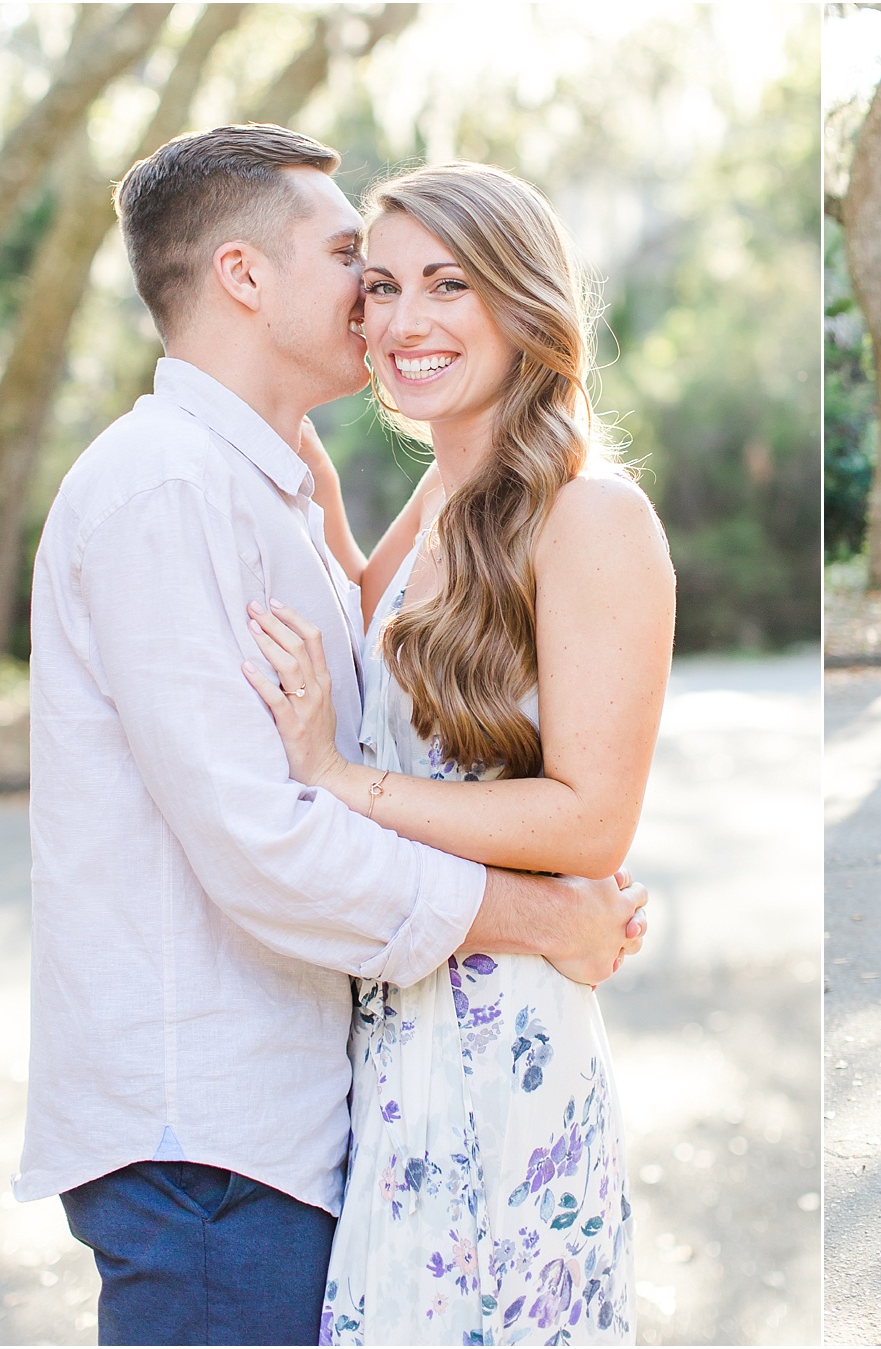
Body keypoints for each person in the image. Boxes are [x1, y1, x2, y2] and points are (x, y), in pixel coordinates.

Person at [18, 125, 648, 1347]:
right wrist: (541, 909)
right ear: (247, 277)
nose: (382, 307)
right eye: (365, 266)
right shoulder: (172, 489)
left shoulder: (279, 490)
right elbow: (268, 836)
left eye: (437, 279)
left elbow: (448, 762)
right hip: (210, 1134)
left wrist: (555, 865)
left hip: (358, 1097)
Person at [240, 163, 674, 1344]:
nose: (403, 320)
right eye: (379, 287)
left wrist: (342, 784)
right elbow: (375, 679)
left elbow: (593, 822)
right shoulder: (441, 494)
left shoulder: (592, 515)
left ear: (525, 301)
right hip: (391, 1028)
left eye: (449, 283)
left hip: (501, 1046)